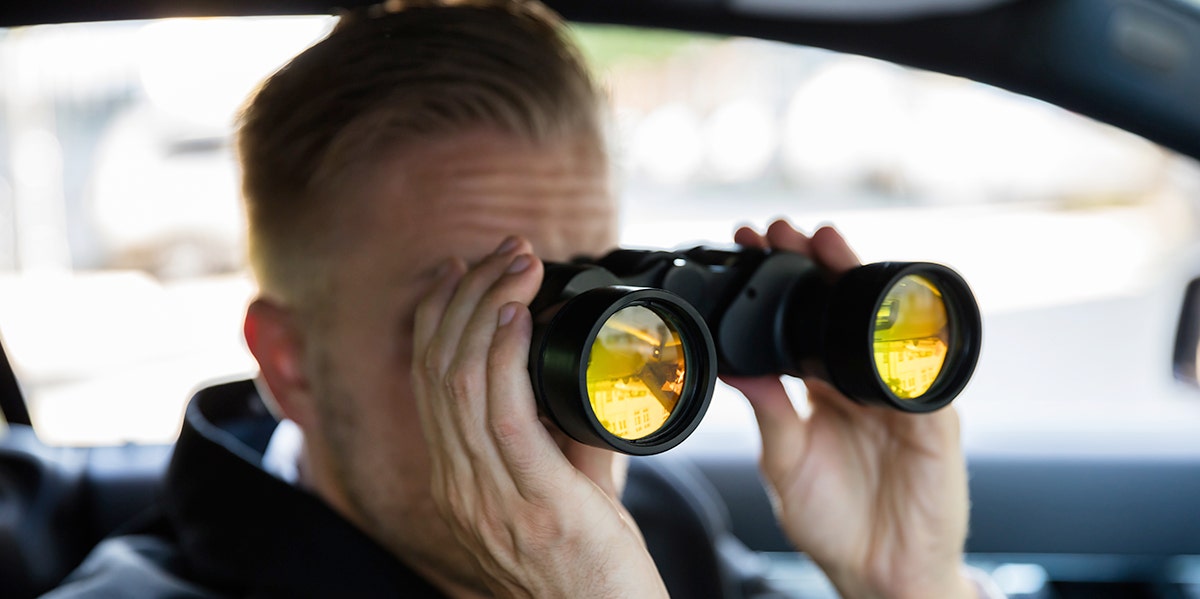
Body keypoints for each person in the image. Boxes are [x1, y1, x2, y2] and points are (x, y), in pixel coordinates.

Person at [47, 1, 1000, 597]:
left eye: (590, 293)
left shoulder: (652, 513)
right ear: (291, 362)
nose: (567, 370)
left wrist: (909, 583)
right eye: (478, 310)